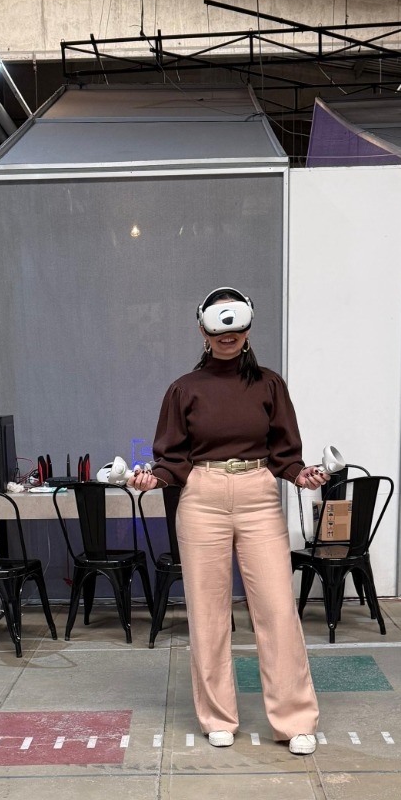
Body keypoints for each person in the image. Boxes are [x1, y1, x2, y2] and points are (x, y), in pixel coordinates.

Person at [130, 287, 327, 755]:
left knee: (277, 610)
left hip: (259, 493)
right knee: (208, 612)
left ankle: (295, 719)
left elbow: (285, 451)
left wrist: (300, 474)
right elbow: (171, 456)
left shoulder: (269, 384)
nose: (228, 334)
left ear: (248, 328)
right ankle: (217, 717)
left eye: (236, 324)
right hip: (202, 496)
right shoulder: (184, 389)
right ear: (202, 329)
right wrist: (154, 479)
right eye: (219, 325)